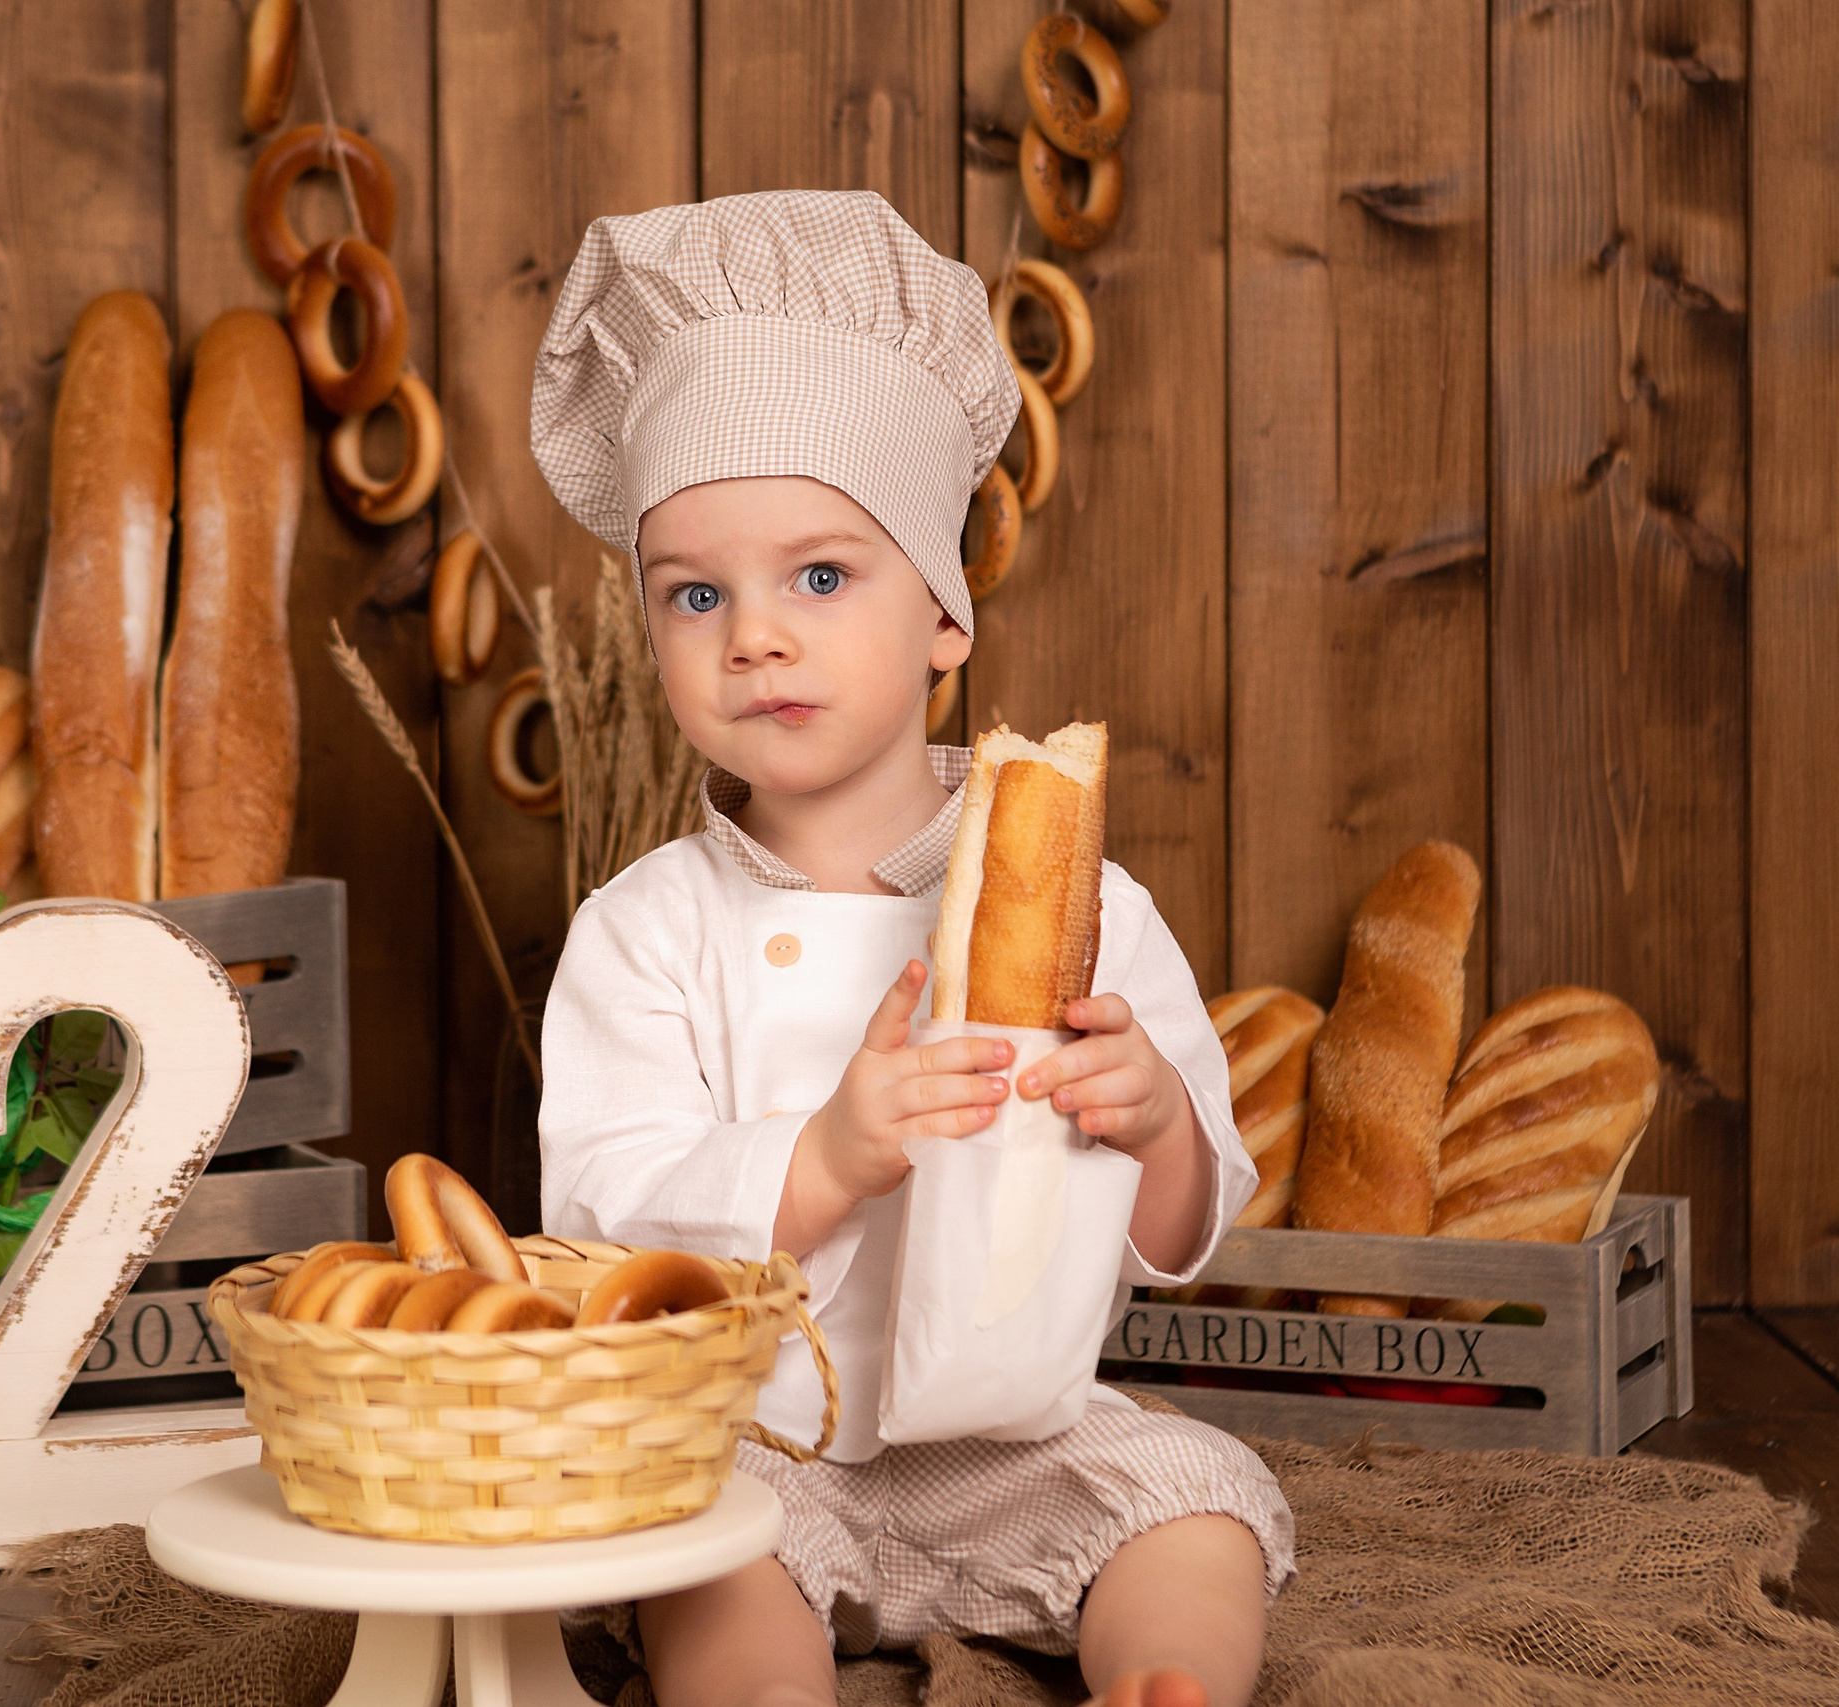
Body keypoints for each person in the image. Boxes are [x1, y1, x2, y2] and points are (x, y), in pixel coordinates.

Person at [530, 192, 1295, 1707]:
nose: (754, 635)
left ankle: (1166, 1685)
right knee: (699, 1554)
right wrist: (821, 1159)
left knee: (1195, 1498)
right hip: (755, 1440)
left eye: (820, 577)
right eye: (697, 594)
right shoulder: (642, 932)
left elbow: (1186, 1224)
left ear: (946, 614)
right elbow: (603, 1232)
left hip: (1021, 1438)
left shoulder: (1086, 905)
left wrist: (1152, 1121)